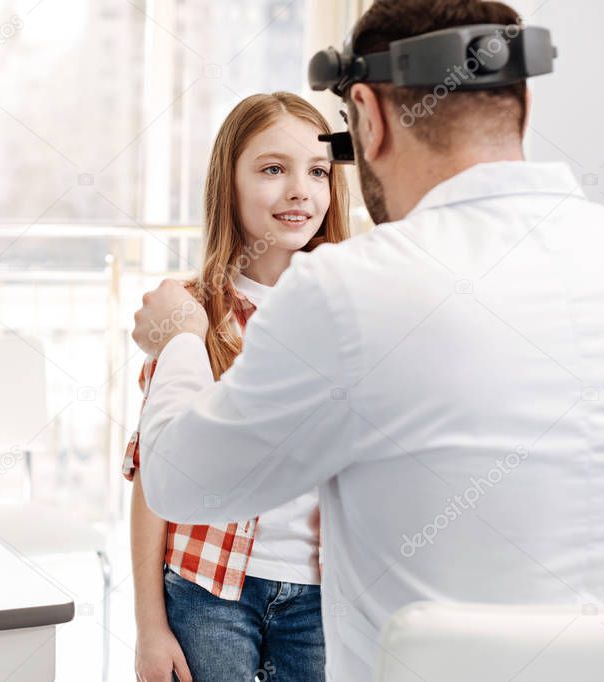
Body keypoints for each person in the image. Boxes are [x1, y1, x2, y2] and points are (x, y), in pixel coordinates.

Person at [130, 1, 604, 680]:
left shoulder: (346, 289)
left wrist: (180, 339)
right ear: (522, 103)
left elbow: (180, 481)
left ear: (366, 113)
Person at [125, 92, 349, 682]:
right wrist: (151, 628)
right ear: (229, 183)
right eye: (274, 169)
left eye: (318, 170)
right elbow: (153, 476)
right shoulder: (188, 311)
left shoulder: (353, 311)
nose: (300, 189)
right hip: (210, 591)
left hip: (325, 595)